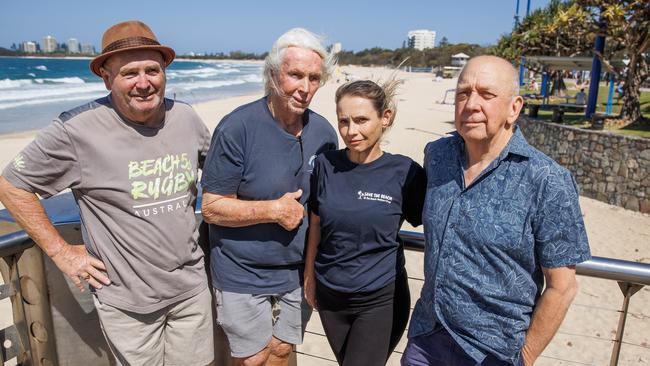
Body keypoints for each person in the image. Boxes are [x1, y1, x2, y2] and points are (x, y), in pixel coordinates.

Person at [0, 20, 214, 366]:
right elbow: (11, 185)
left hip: (191, 292)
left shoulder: (185, 118)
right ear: (106, 77)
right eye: (130, 73)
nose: (144, 83)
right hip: (128, 304)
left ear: (165, 73)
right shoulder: (76, 130)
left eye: (152, 70)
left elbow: (221, 174)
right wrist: (61, 252)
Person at [402, 55, 591, 366]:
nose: (471, 104)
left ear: (514, 108)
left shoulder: (546, 179)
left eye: (486, 95)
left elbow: (563, 286)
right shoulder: (437, 155)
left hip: (493, 352)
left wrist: (525, 357)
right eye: (463, 93)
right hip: (427, 338)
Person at [200, 28, 338, 366]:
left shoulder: (324, 134)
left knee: (281, 350)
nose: (304, 88)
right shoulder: (237, 128)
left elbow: (322, 208)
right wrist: (273, 210)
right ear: (273, 74)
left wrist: (312, 271)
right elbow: (211, 208)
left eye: (314, 78)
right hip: (240, 269)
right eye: (295, 75)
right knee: (253, 358)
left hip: (296, 271)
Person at [304, 79, 426, 365]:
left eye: (361, 120)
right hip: (330, 296)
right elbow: (316, 223)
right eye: (344, 121)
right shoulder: (325, 165)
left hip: (381, 298)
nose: (351, 131)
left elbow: (438, 224)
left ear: (385, 118)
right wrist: (309, 274)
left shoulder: (404, 171)